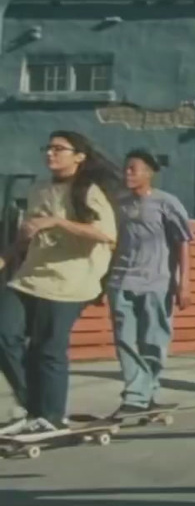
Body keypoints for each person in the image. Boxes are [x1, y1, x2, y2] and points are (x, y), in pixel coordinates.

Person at [0, 132, 119, 438]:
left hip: (70, 280)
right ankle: (33, 409)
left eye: (59, 149)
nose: (51, 154)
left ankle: (51, 416)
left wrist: (57, 222)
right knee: (4, 334)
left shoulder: (89, 191)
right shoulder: (39, 189)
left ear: (79, 156)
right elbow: (29, 234)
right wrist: (8, 256)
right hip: (30, 276)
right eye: (48, 148)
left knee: (47, 349)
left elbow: (106, 234)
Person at [105, 150, 195, 419]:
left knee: (153, 341)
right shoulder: (118, 203)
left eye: (133, 169)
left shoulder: (166, 203)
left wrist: (184, 282)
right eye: (125, 169)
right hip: (120, 280)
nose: (127, 174)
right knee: (125, 339)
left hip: (157, 283)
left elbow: (183, 242)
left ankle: (147, 393)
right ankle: (136, 396)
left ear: (149, 172)